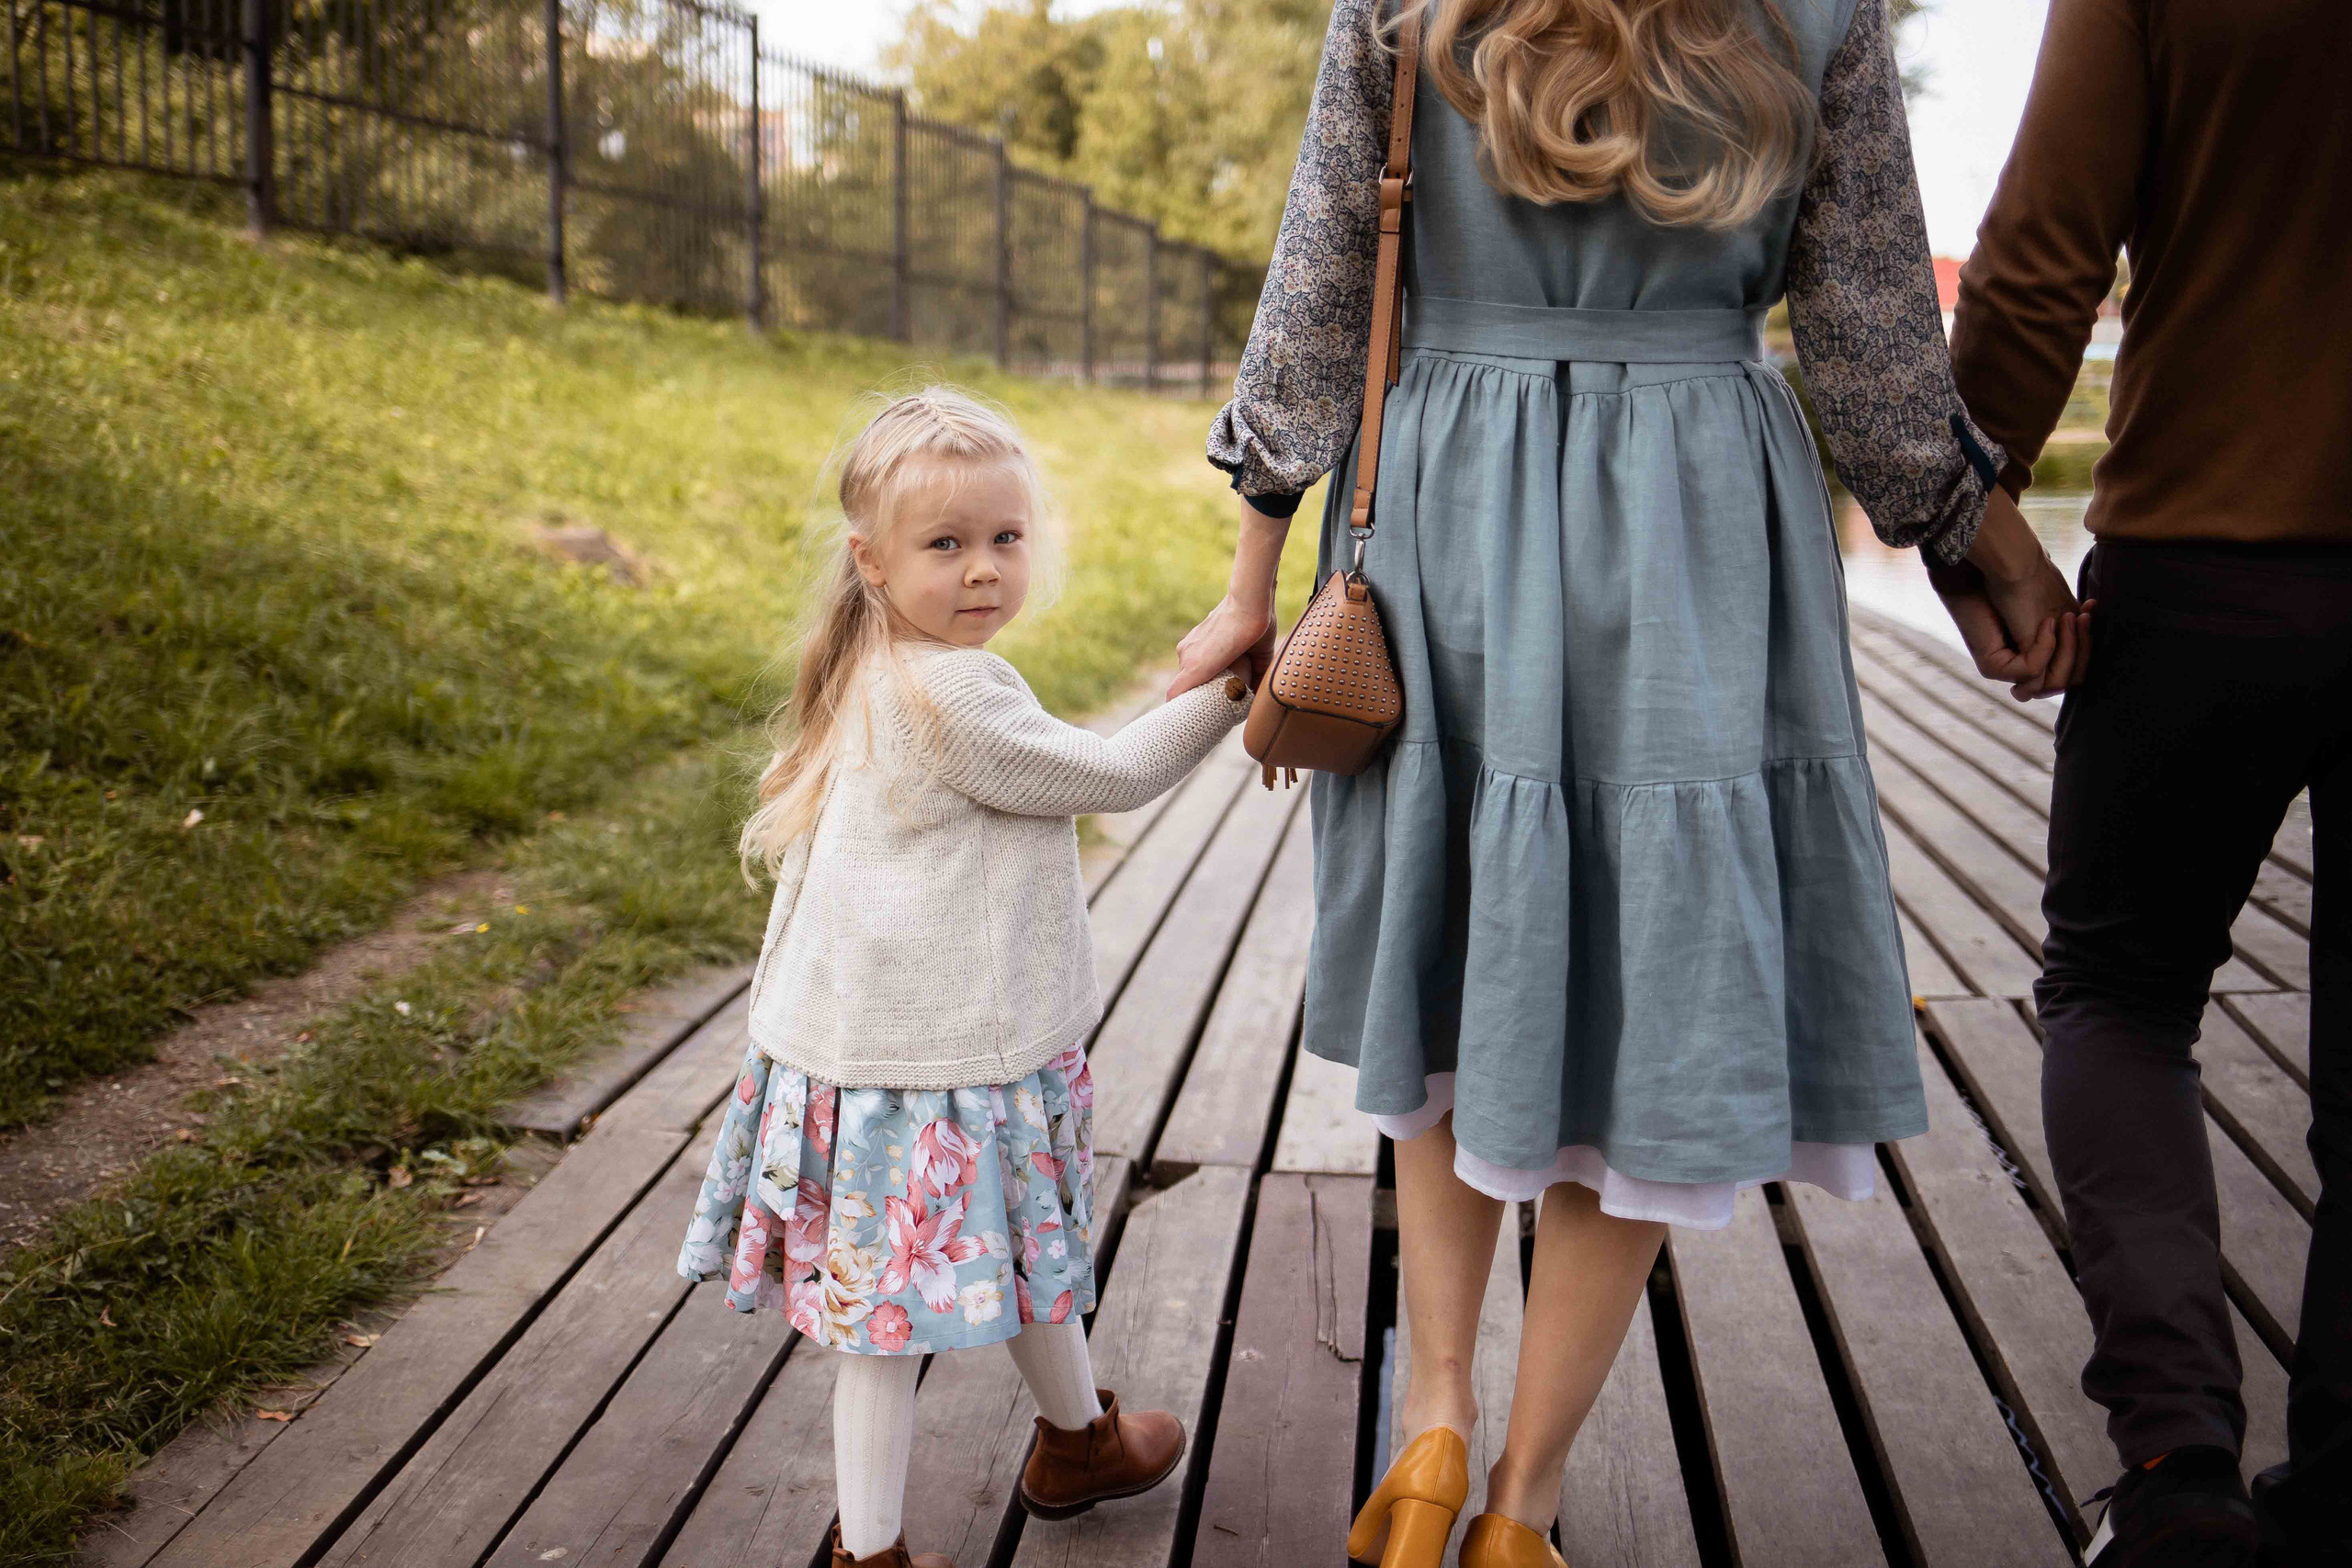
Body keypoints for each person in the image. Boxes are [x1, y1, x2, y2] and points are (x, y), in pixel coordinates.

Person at [1170, 0, 2083, 1562]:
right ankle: (1527, 1499)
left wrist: (1255, 577)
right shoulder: (1818, 15)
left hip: (1448, 493)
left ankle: (1432, 1428)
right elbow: (1870, 352)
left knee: (1457, 949)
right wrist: (1974, 536)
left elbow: (1322, 297)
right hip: (1696, 512)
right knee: (1674, 984)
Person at [675, 388, 1254, 1568]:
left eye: (1004, 538)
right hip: (920, 1066)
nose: (983, 569)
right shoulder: (953, 689)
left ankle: (1078, 1441)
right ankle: (868, 1552)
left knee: (1030, 1241)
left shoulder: (888, 660)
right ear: (873, 562)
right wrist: (1240, 686)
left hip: (892, 1047)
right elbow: (1109, 773)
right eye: (945, 545)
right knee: (883, 1331)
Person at [1944, 0, 2352, 1561]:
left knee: (2121, 992)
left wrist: (1970, 529)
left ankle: (2181, 1469)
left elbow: (2045, 252)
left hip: (2205, 566)